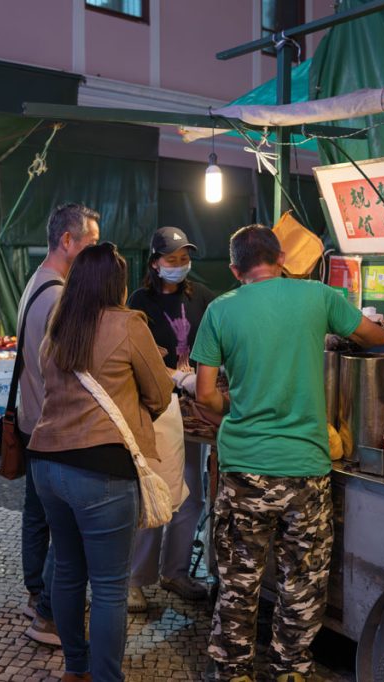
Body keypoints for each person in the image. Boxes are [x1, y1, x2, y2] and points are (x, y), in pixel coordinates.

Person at [191, 225, 384, 682]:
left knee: (240, 581)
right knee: (302, 583)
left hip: (244, 470)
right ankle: (290, 670)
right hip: (306, 470)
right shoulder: (317, 297)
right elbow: (376, 337)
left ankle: (233, 672)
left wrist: (234, 412)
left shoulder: (221, 309)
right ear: (281, 258)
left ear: (236, 269)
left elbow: (203, 395)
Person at [28, 243, 174, 682]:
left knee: (69, 571)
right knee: (109, 587)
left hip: (47, 465)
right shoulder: (128, 324)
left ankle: (76, 669)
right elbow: (161, 393)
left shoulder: (59, 325)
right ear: (118, 283)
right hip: (102, 473)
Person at [16, 203, 100, 647]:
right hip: (50, 423)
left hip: (33, 419)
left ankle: (37, 594)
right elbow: (67, 368)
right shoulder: (57, 295)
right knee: (61, 523)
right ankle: (47, 603)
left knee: (38, 514)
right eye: (89, 243)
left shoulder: (38, 281)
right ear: (68, 241)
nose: (93, 252)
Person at [125, 226, 215, 612]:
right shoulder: (138, 301)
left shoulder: (203, 298)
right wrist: (174, 376)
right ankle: (133, 580)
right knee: (155, 497)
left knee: (190, 496)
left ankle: (176, 571)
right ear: (155, 263)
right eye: (172, 260)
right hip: (156, 410)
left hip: (196, 410)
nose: (180, 266)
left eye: (185, 259)